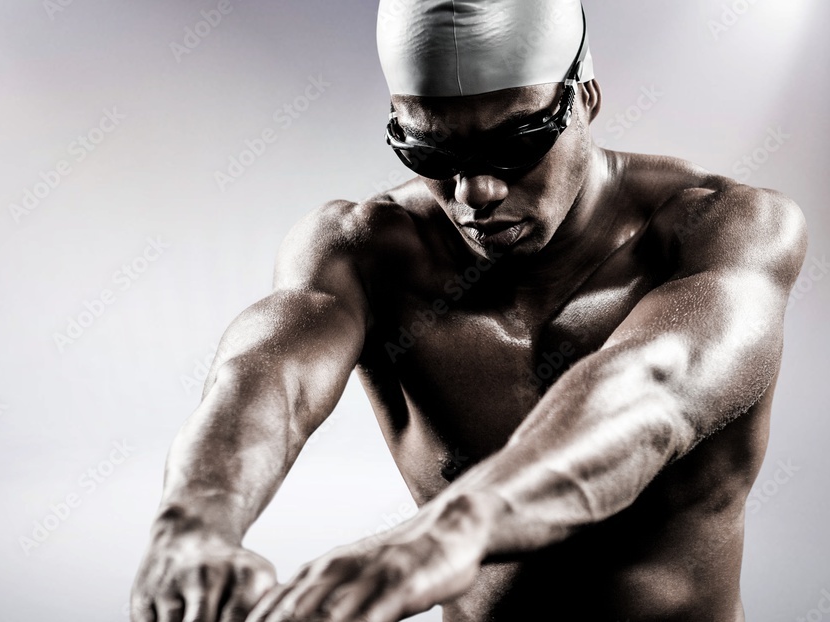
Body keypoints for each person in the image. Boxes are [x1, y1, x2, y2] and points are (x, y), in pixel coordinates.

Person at [131, 1, 807, 620]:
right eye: (432, 152)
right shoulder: (366, 253)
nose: (475, 190)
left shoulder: (724, 231)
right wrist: (194, 521)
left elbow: (650, 395)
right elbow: (265, 380)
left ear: (586, 100)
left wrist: (451, 530)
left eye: (516, 145)